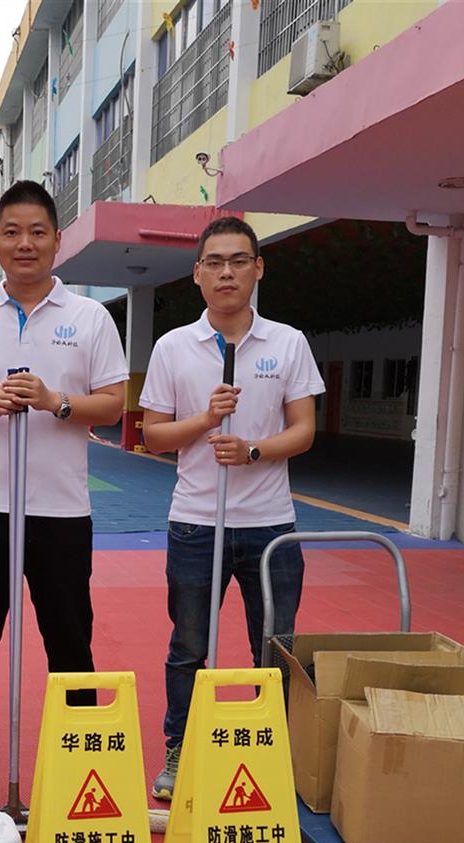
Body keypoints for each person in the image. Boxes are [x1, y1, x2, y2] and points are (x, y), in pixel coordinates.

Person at [0, 179, 128, 777]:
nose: (25, 244)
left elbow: (114, 403)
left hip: (61, 511)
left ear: (56, 240)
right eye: (12, 232)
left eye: (37, 232)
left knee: (70, 642)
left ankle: (79, 760)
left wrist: (53, 401)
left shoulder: (90, 318)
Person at [140, 215, 325, 800]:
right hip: (197, 522)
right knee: (190, 646)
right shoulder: (174, 347)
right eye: (214, 262)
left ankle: (277, 749)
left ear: (257, 268)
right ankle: (182, 748)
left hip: (272, 527)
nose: (226, 272)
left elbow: (304, 431)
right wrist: (204, 421)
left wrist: (252, 450)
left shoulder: (288, 342)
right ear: (197, 275)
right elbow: (154, 435)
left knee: (276, 647)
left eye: (238, 260)